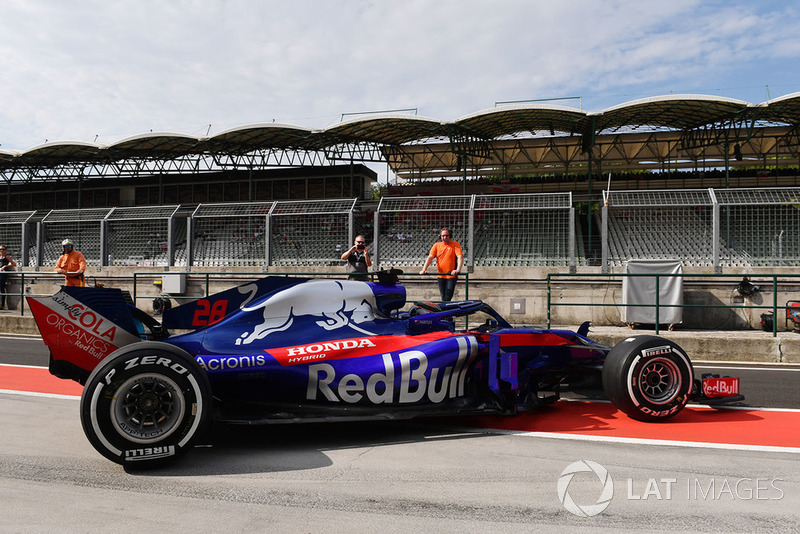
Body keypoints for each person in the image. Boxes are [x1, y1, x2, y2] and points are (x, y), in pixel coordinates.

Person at [420, 228, 463, 301]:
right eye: (443, 236)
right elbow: (430, 257)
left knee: (447, 297)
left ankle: (444, 310)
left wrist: (458, 269)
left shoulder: (455, 244)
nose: (445, 238)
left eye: (447, 235)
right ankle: (445, 311)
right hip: (440, 275)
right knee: (443, 297)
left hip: (451, 275)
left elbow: (460, 257)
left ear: (450, 236)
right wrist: (424, 269)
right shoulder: (436, 245)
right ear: (440, 237)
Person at [0, 245, 16, 309]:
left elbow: (13, 264)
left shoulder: (7, 257)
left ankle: (2, 304)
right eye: (0, 249)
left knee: (2, 288)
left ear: (5, 250)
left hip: (3, 273)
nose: (1, 251)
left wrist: (5, 266)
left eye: (3, 249)